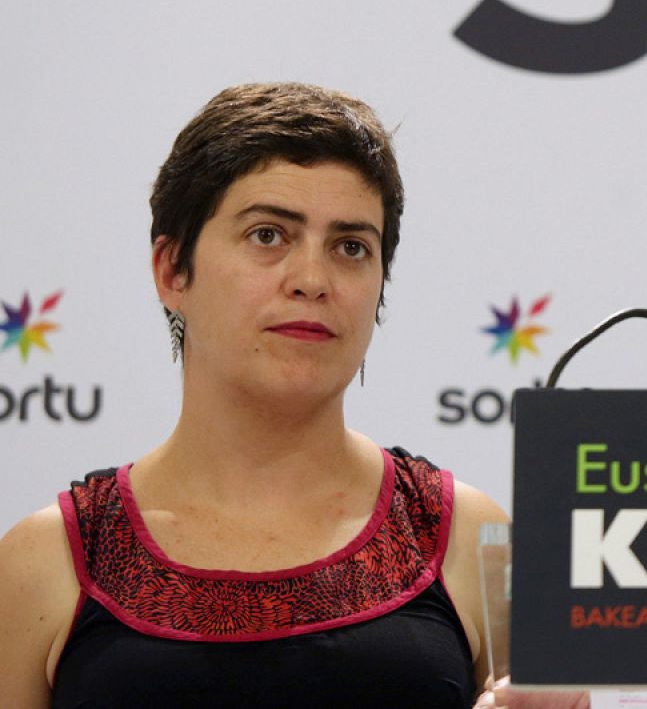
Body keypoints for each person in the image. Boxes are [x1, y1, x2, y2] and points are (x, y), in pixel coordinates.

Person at [0, 83, 508, 707]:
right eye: (268, 235)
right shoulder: (46, 561)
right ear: (172, 270)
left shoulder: (470, 537)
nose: (313, 281)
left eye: (351, 247)